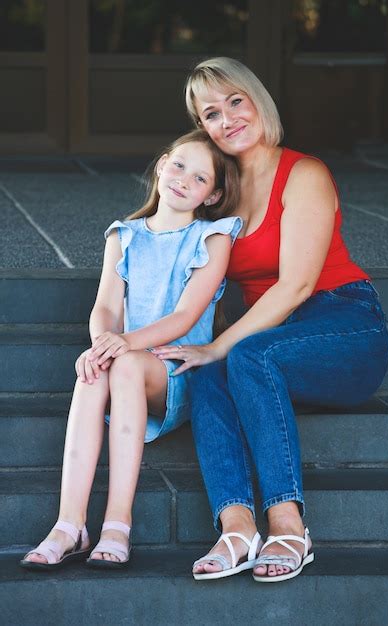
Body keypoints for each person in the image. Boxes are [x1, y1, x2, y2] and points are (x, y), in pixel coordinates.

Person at [152, 57, 388, 583]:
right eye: (211, 113)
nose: (228, 118)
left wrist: (219, 345)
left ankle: (288, 524)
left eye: (236, 101)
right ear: (202, 126)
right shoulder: (219, 189)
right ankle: (237, 527)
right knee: (206, 370)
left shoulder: (304, 173)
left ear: (259, 100)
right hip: (271, 338)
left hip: (344, 324)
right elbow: (165, 241)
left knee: (239, 353)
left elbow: (298, 285)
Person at [19, 129, 242, 570]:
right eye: (178, 165)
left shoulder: (212, 237)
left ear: (212, 195)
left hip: (177, 374)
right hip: (128, 361)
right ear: (161, 164)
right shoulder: (124, 235)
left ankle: (117, 523)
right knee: (95, 371)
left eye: (199, 178)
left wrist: (123, 345)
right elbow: (105, 306)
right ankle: (69, 525)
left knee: (120, 366)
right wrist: (103, 345)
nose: (182, 179)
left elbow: (183, 318)